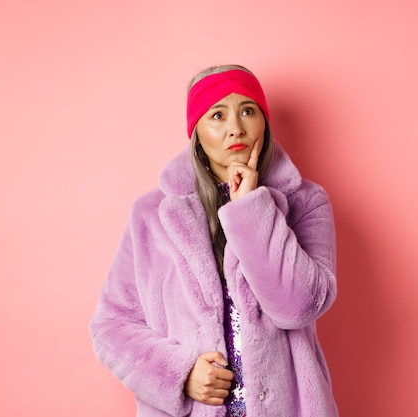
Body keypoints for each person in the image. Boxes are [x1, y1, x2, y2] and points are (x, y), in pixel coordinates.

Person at [89, 64, 338, 417]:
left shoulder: (306, 202)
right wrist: (179, 373)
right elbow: (111, 326)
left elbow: (299, 305)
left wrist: (251, 208)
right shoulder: (152, 214)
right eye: (217, 115)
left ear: (263, 123)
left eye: (248, 111)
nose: (235, 127)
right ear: (197, 132)